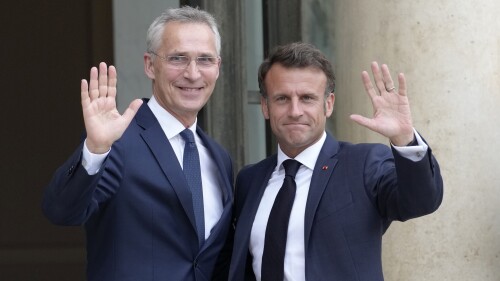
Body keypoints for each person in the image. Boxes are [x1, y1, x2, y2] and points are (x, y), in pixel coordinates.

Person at [42, 6, 233, 281]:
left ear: (218, 67)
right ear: (150, 65)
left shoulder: (218, 157)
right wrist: (95, 151)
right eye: (178, 58)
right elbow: (60, 211)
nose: (193, 74)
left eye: (205, 60)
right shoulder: (117, 143)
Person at [228, 42, 443, 281]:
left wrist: (404, 138)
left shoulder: (363, 165)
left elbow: (421, 201)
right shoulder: (249, 180)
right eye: (282, 99)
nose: (295, 111)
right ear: (265, 106)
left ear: (328, 104)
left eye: (307, 98)